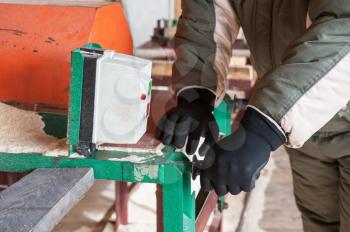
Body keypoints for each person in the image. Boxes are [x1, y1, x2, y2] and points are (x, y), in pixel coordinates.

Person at [155, 1, 350, 231]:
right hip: (307, 130)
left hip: (322, 110)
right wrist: (197, 94)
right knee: (320, 223)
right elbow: (210, 9)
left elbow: (344, 28)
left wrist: (263, 129)